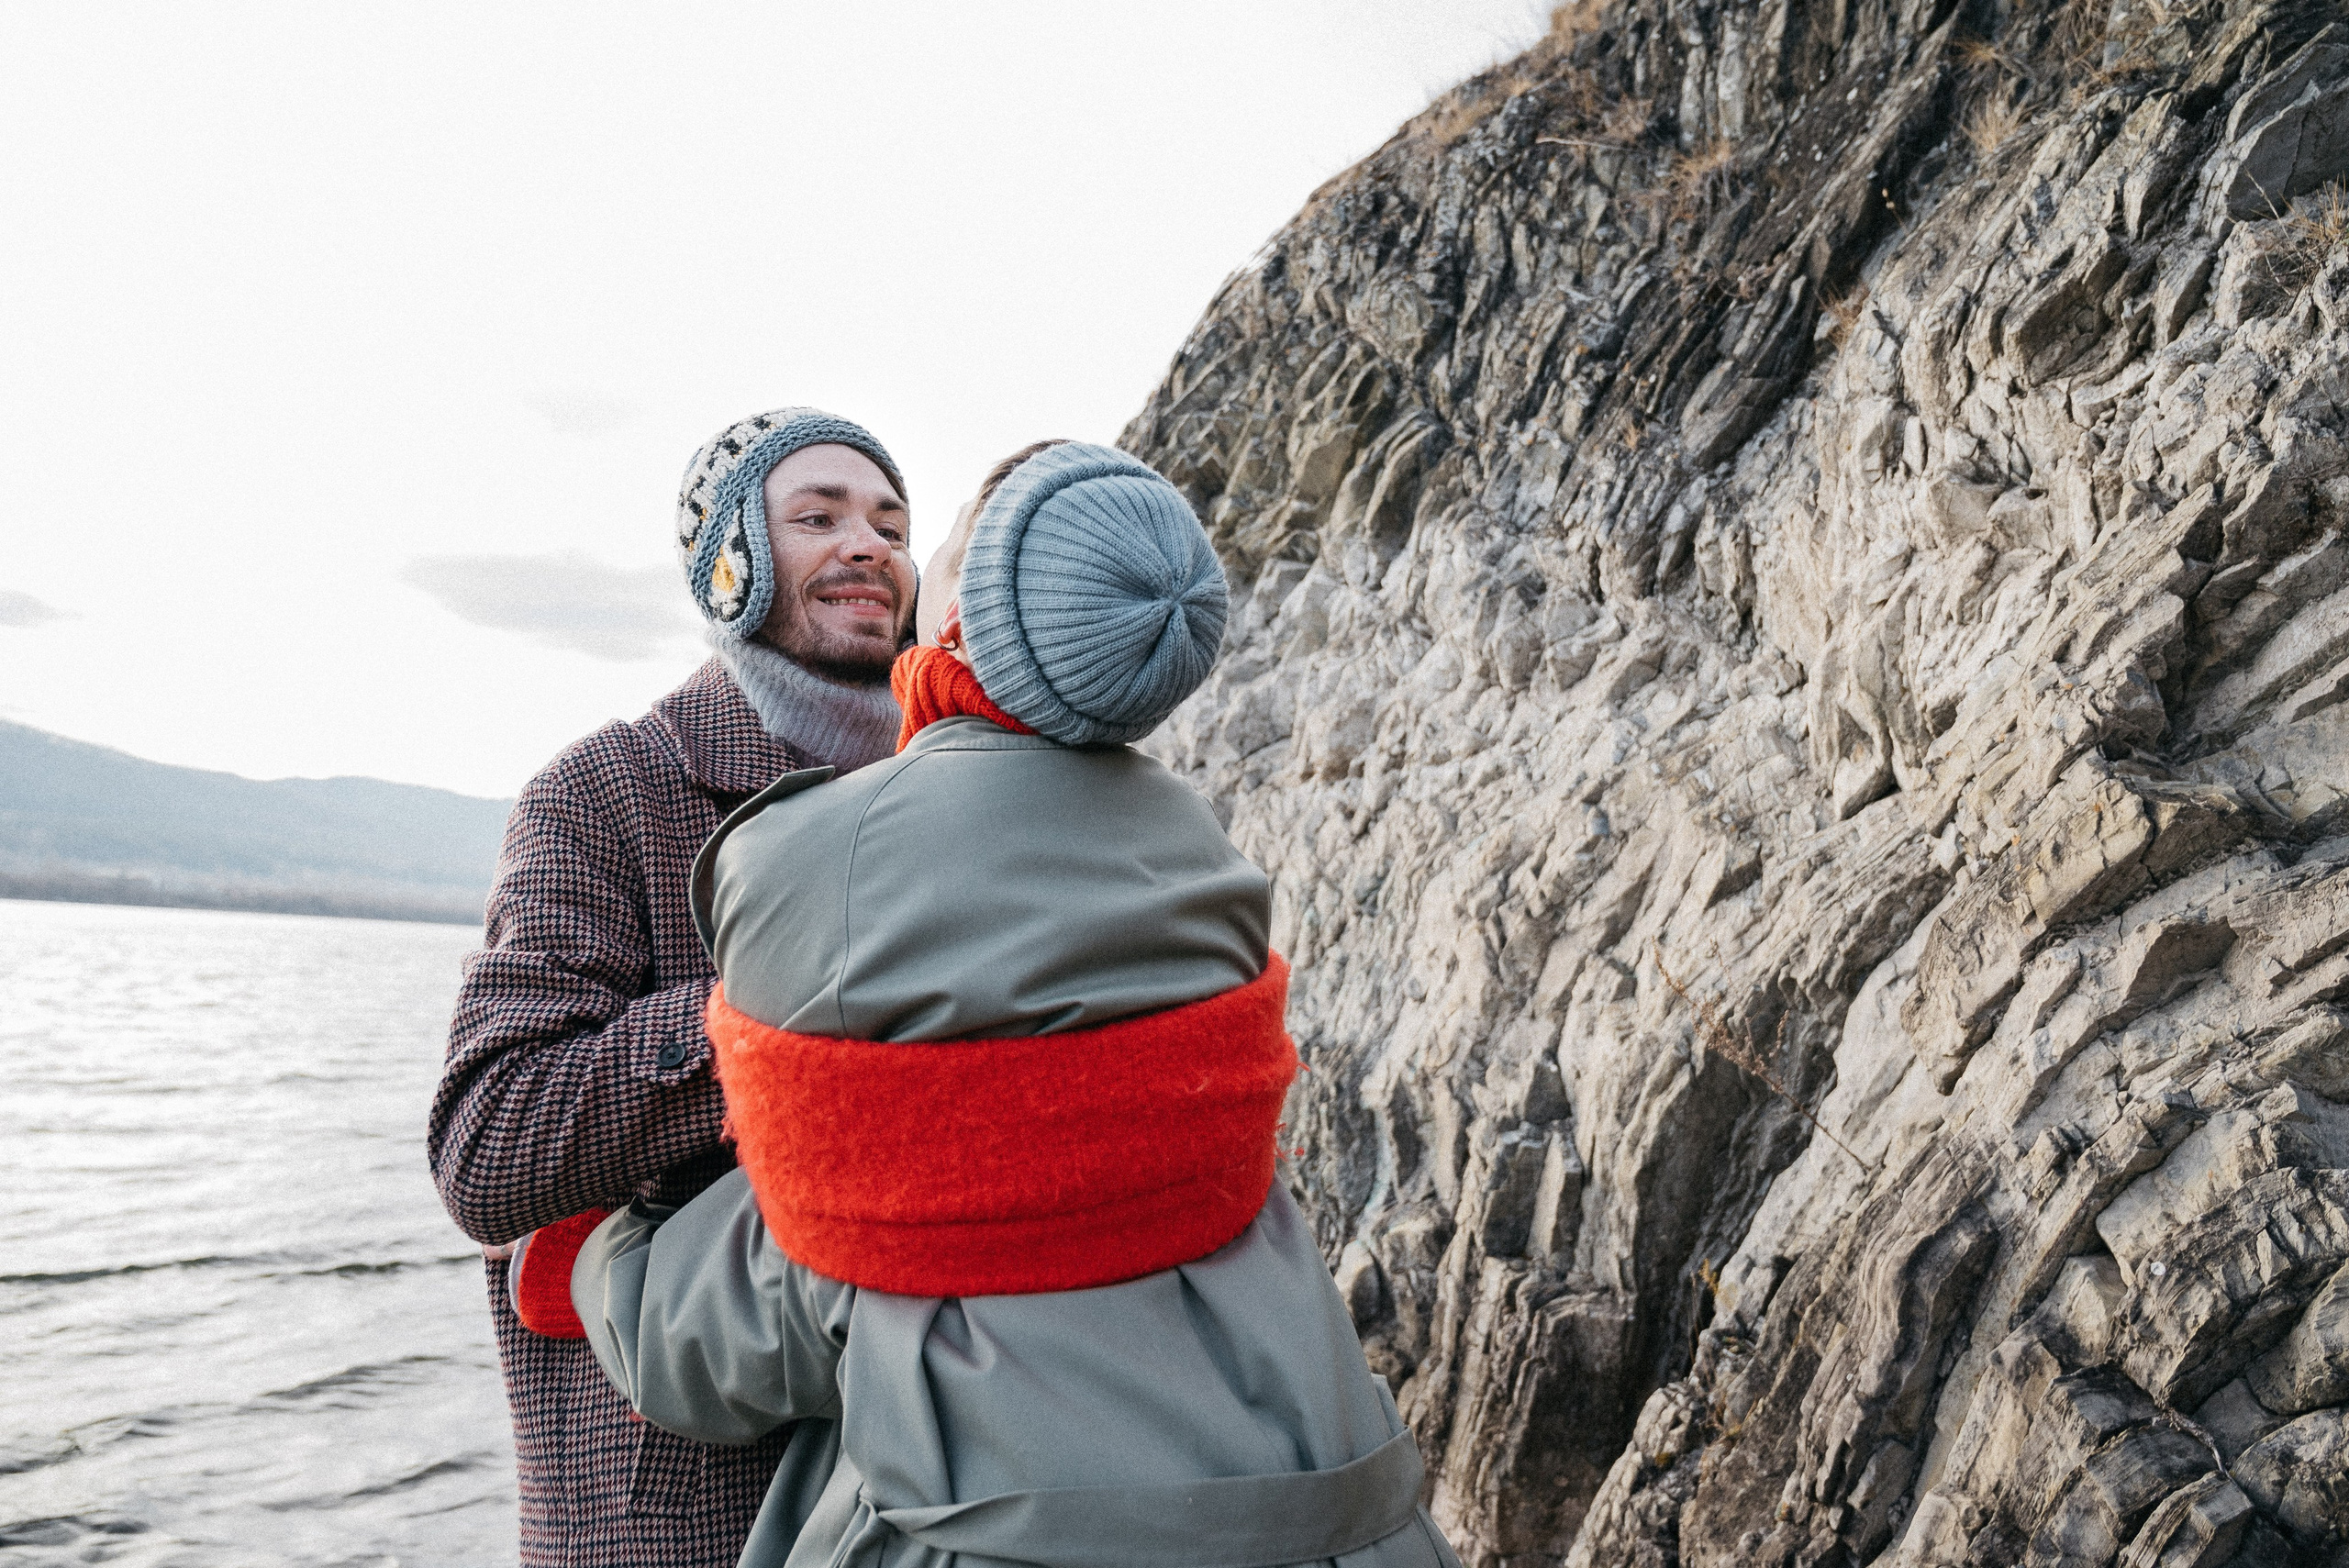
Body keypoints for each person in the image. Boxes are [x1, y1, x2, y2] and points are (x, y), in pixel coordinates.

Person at [565, 440, 1462, 1566]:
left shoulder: (816, 853)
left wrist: (603, 1255)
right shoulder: (1202, 851)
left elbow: (791, 1262)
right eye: (825, 517)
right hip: (1344, 1504)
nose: (884, 552)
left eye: (919, 534)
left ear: (969, 609)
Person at [427, 408, 918, 1566]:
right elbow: (487, 1143)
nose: (868, 543)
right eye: (818, 516)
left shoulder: (944, 794)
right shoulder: (607, 790)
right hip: (680, 1506)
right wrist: (782, 1010)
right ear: (728, 563)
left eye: (892, 525)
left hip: (922, 1474)